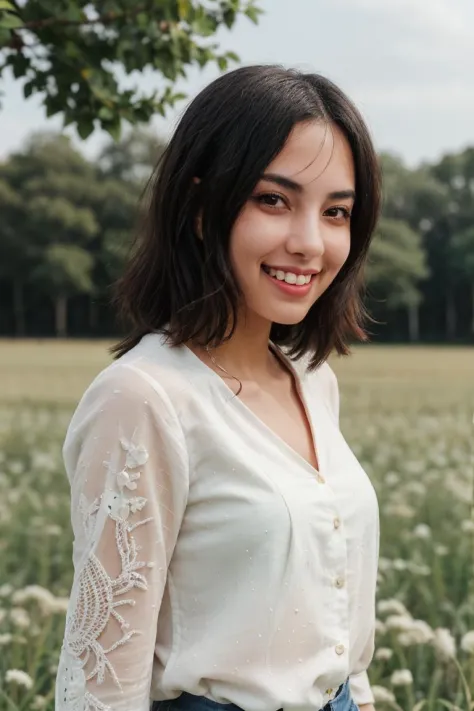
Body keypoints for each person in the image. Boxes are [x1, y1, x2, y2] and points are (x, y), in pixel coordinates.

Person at [55, 65, 381, 711]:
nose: (310, 242)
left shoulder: (315, 381)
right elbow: (101, 683)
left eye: (336, 211)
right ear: (203, 208)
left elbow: (332, 622)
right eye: (274, 200)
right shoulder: (144, 398)